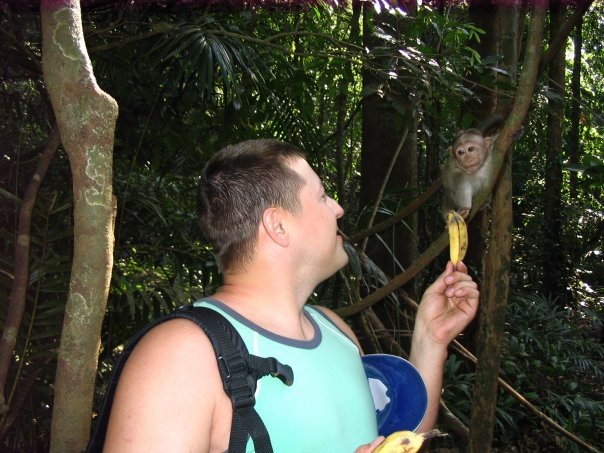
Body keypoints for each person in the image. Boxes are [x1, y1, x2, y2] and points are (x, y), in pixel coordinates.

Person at [103, 139, 479, 453]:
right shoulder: (180, 354)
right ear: (278, 226)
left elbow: (395, 440)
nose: (338, 209)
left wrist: (431, 340)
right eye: (323, 196)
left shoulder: (335, 330)